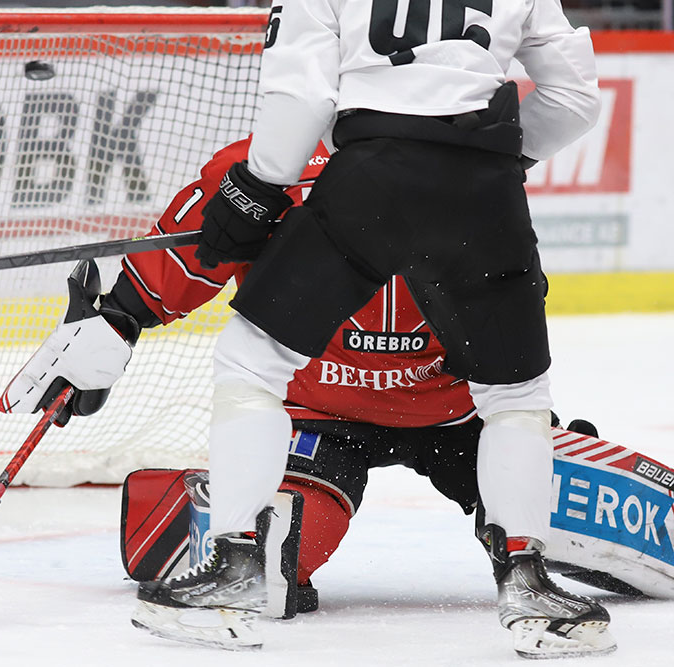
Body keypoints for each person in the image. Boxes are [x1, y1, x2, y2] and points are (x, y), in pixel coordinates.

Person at [130, 0, 606, 655]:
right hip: (483, 184)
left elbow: (302, 94)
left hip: (374, 172)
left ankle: (235, 572)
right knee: (516, 394)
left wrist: (259, 188)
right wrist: (494, 159)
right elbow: (576, 99)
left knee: (251, 361)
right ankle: (528, 587)